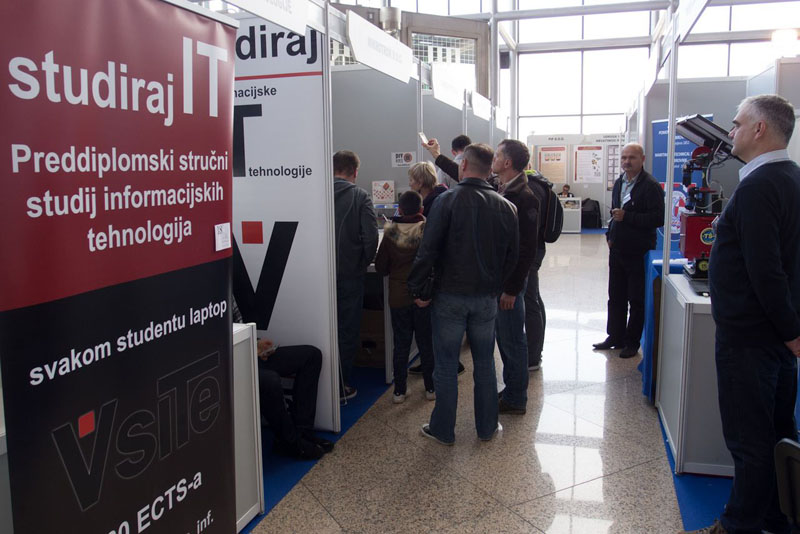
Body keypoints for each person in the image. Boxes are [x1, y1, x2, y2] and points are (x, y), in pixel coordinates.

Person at [681, 95, 800, 534]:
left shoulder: (757, 187)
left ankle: (738, 525)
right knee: (777, 430)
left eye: (736, 124)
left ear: (759, 129)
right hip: (774, 333)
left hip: (751, 337)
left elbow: (765, 270)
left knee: (749, 438)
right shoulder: (790, 177)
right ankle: (776, 515)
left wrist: (789, 330)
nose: (730, 132)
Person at [408, 143, 519, 445]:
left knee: (445, 364)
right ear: (488, 168)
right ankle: (487, 427)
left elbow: (428, 250)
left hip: (449, 296)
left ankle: (443, 429)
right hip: (486, 298)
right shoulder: (507, 207)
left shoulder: (446, 201)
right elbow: (513, 257)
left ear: (465, 166)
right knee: (485, 362)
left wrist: (418, 288)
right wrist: (497, 286)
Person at [232, 299, 334, 460]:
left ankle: (302, 432)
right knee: (269, 380)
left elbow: (238, 326)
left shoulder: (223, 290)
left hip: (243, 352)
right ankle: (289, 441)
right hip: (226, 365)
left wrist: (256, 345)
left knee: (312, 356)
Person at [593, 143, 664, 359]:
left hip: (638, 250)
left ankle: (632, 341)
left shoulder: (650, 186)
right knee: (615, 296)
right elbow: (615, 213)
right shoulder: (619, 182)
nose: (626, 162)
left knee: (636, 298)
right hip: (617, 249)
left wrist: (628, 217)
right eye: (624, 157)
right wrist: (610, 235)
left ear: (642, 159)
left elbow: (658, 218)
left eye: (631, 157)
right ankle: (615, 336)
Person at [404, 162, 465, 377]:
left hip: (437, 270)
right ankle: (436, 361)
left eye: (412, 179)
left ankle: (443, 364)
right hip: (445, 269)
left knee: (436, 323)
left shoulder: (434, 203)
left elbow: (431, 242)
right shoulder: (441, 197)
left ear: (421, 182)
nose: (409, 183)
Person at [492, 139, 540, 415]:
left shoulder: (524, 197)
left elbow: (527, 249)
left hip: (510, 283)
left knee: (512, 339)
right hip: (502, 278)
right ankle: (511, 388)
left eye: (497, 155)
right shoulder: (504, 189)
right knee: (506, 338)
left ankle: (516, 398)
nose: (494, 159)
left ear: (507, 162)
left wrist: (511, 289)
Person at [374, 190, 435, 403]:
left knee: (401, 344)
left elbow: (381, 267)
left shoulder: (391, 232)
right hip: (424, 296)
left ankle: (399, 391)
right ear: (421, 209)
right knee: (426, 343)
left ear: (399, 209)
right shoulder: (427, 230)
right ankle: (430, 388)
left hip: (398, 297)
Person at [333, 150, 379, 401]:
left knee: (323, 330)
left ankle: (322, 387)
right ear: (355, 171)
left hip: (317, 277)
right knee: (347, 330)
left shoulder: (315, 193)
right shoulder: (360, 196)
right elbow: (371, 238)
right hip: (350, 275)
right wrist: (362, 263)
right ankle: (341, 386)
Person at [524, 167, 553, 371]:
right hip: (533, 249)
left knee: (530, 301)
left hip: (530, 251)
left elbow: (529, 228)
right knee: (533, 297)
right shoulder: (535, 183)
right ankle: (534, 352)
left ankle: (533, 356)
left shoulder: (531, 187)